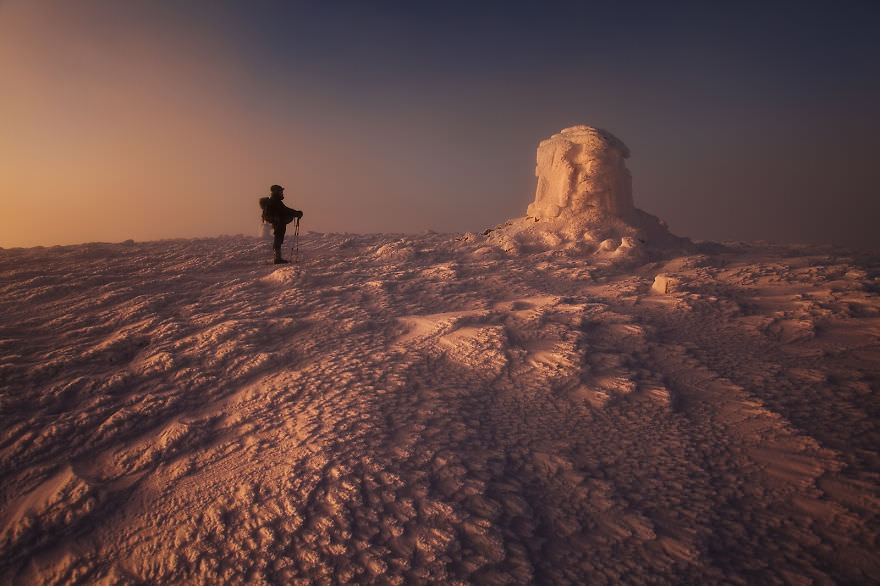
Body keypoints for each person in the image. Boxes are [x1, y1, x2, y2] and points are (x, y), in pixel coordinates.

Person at [260, 184, 303, 264]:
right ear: (276, 192)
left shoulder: (274, 201)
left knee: (278, 237)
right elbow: (286, 210)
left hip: (277, 221)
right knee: (278, 238)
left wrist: (296, 213)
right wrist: (297, 213)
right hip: (278, 222)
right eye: (280, 191)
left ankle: (277, 257)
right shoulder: (275, 201)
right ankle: (277, 258)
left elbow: (285, 210)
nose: (282, 193)